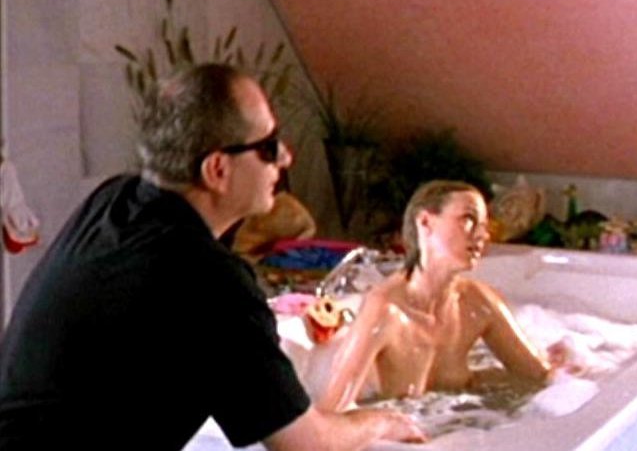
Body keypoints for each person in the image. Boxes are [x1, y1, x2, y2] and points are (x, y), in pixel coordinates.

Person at [0, 64, 424, 451]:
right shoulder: (210, 281)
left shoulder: (115, 201)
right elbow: (307, 444)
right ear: (217, 170)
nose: (285, 158)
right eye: (268, 147)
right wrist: (377, 423)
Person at [314, 180, 571, 412]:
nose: (483, 235)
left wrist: (568, 369)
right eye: (468, 219)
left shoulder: (478, 304)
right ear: (425, 223)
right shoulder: (385, 311)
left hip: (460, 426)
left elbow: (540, 377)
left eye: (483, 225)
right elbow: (331, 413)